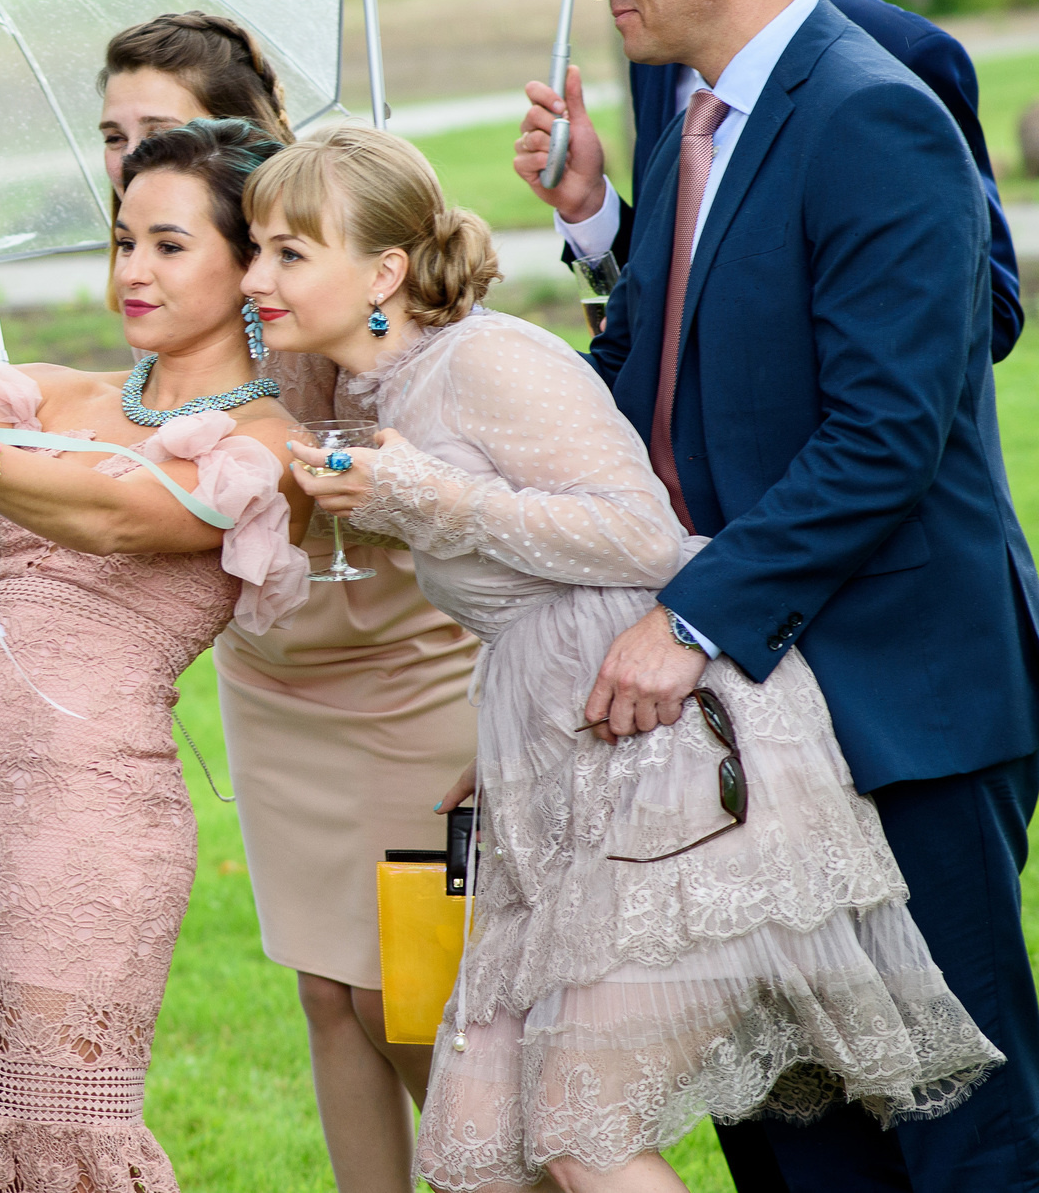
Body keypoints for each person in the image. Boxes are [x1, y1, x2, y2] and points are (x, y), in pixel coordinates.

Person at [248, 124, 1001, 1192]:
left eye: (287, 250)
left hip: (668, 760)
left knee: (578, 1128)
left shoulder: (485, 359)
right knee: (478, 1140)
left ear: (381, 271)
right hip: (551, 757)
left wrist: (432, 500)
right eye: (252, 247)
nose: (255, 275)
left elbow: (641, 539)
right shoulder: (386, 393)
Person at [534, 0, 1039, 1190]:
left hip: (901, 704)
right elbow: (650, 369)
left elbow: (886, 435)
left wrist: (693, 619)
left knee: (957, 1124)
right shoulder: (698, 119)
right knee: (789, 1123)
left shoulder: (875, 112)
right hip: (752, 725)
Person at [0, 118, 312, 1193]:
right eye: (121, 239)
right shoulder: (53, 394)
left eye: (169, 244)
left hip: (86, 804)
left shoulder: (265, 444)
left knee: (58, 1117)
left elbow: (126, 518)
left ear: (248, 258)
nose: (132, 268)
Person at [100, 15, 477, 1193]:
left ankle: (501, 1171)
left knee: (407, 992)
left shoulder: (331, 256)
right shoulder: (171, 267)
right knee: (324, 989)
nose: (127, 153)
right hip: (275, 675)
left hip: (401, 668)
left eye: (154, 128)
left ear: (246, 132)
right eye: (111, 133)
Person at [520, 0, 1021, 363]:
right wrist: (591, 209)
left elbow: (981, 312)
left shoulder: (894, 59)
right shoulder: (666, 65)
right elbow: (674, 300)